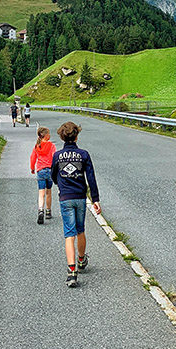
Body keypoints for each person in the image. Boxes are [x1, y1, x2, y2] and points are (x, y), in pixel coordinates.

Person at [51, 121, 100, 288]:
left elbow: (53, 175)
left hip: (65, 197)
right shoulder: (84, 154)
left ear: (61, 136)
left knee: (68, 234)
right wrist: (95, 199)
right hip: (80, 197)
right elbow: (91, 178)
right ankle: (81, 259)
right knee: (80, 230)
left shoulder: (57, 156)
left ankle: (71, 271)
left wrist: (62, 185)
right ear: (77, 135)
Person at [30, 126, 56, 224]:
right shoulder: (52, 146)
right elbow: (55, 158)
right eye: (48, 134)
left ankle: (40, 210)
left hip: (40, 171)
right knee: (48, 192)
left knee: (41, 193)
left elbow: (33, 157)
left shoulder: (37, 146)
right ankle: (48, 211)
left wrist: (32, 168)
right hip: (50, 171)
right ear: (45, 135)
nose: (50, 135)